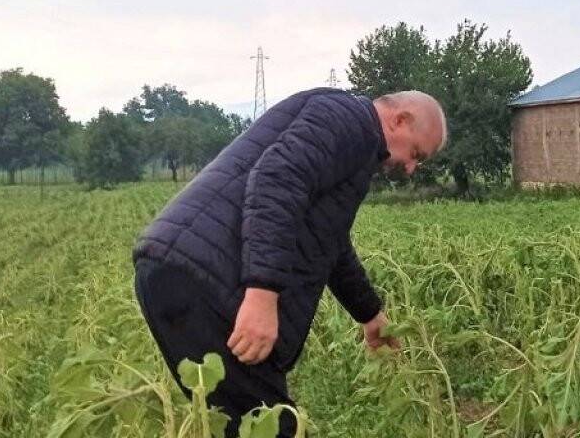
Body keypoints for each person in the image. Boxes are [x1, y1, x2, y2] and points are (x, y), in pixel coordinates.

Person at [133, 88, 447, 437]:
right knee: (273, 427)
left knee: (238, 425)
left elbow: (329, 242)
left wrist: (369, 314)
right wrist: (262, 294)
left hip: (183, 271)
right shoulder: (353, 122)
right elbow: (277, 179)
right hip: (210, 283)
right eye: (416, 153)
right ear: (399, 120)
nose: (411, 167)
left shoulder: (349, 134)